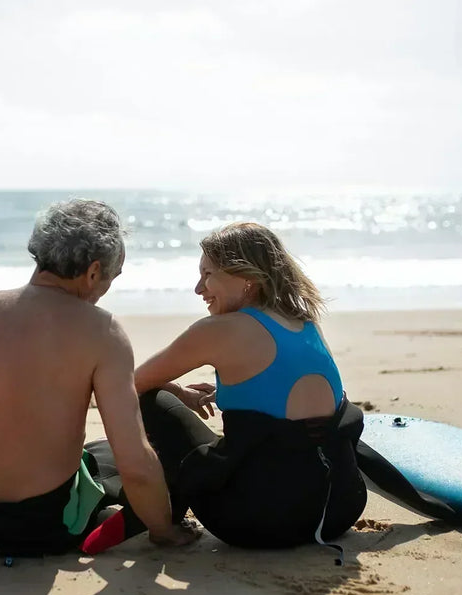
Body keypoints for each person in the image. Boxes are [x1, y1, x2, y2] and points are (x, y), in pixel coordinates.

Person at [0, 199, 198, 557]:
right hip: (40, 527)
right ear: (92, 272)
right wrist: (163, 530)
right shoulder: (103, 331)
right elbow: (135, 464)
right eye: (111, 277)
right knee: (125, 456)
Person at [83, 222, 366, 556]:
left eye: (208, 274)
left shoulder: (218, 331)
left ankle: (164, 519)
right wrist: (224, 394)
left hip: (256, 522)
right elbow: (298, 409)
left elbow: (130, 384)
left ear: (248, 278)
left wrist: (177, 392)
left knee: (151, 400)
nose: (198, 288)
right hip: (341, 507)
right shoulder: (303, 321)